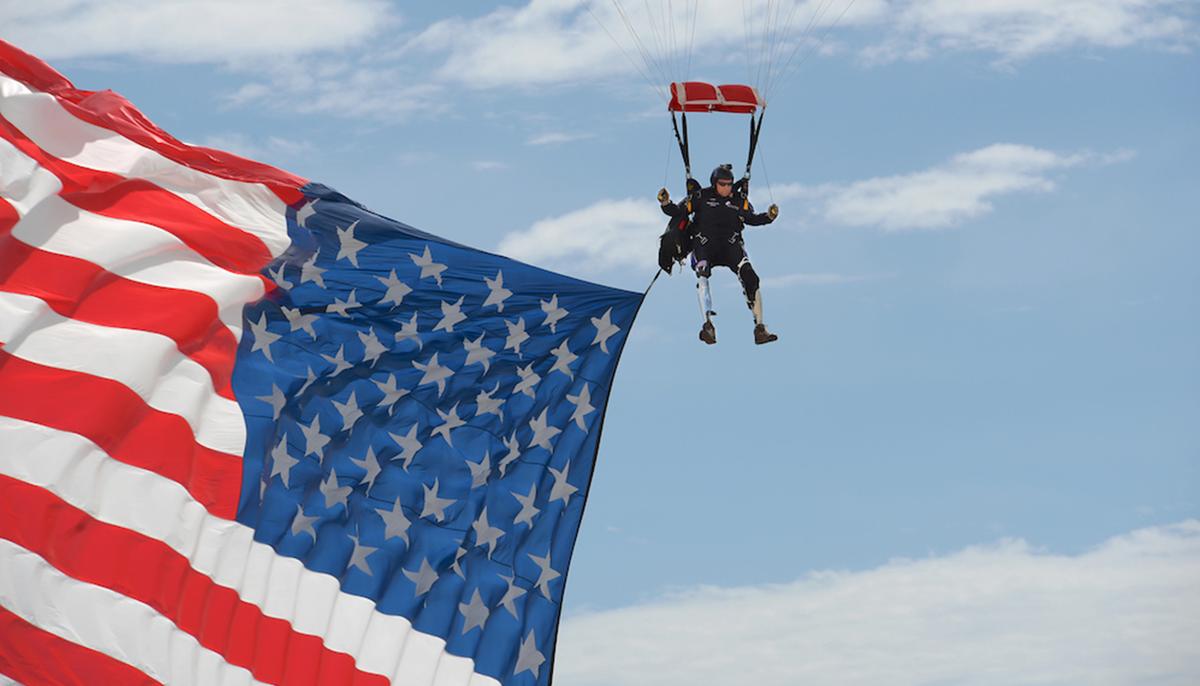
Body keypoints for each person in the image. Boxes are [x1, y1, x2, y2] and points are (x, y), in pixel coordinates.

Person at [658, 164, 779, 345]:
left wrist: (769, 217)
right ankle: (708, 325)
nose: (726, 188)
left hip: (730, 245)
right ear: (715, 184)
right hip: (705, 244)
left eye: (729, 184)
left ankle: (760, 328)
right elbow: (677, 212)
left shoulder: (738, 200)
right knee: (702, 274)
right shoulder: (700, 197)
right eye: (722, 184)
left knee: (751, 277)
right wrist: (665, 202)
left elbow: (752, 219)